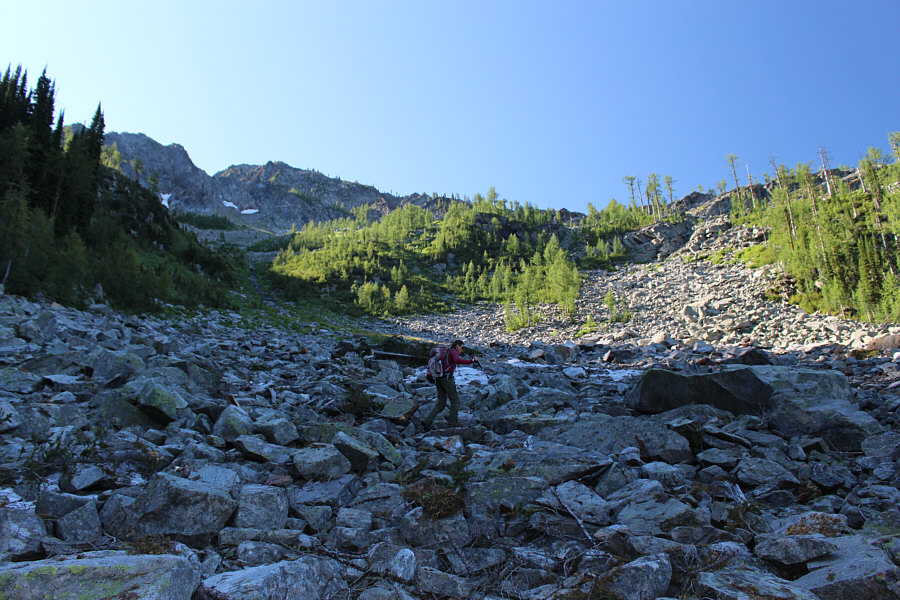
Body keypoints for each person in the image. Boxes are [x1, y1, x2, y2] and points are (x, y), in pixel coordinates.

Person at [423, 340, 478, 429]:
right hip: (447, 379)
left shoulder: (446, 352)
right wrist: (471, 361)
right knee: (455, 401)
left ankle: (427, 421)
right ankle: (452, 423)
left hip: (438, 378)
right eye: (462, 347)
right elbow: (457, 360)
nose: (462, 350)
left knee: (441, 403)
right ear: (457, 345)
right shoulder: (453, 351)